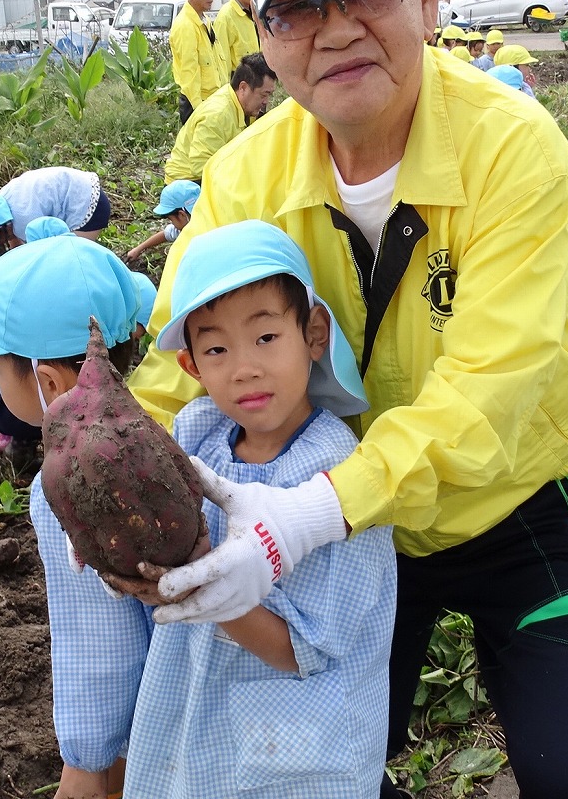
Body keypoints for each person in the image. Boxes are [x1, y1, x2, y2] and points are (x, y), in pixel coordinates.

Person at [128, 0, 568, 799]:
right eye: (299, 7)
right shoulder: (243, 179)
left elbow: (491, 388)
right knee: (322, 758)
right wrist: (123, 489)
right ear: (265, 39)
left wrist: (304, 518)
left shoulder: (512, 149)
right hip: (348, 537)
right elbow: (174, 367)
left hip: (521, 502)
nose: (339, 27)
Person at [116, 220, 395, 798]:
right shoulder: (195, 432)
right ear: (191, 364)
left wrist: (198, 592)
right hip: (193, 714)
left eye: (266, 337)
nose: (243, 367)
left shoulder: (339, 471)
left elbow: (304, 650)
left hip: (299, 748)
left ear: (313, 333)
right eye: (216, 347)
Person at [0, 235, 148, 799]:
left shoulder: (64, 486)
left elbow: (100, 648)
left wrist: (83, 763)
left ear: (49, 384)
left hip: (117, 715)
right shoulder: (162, 437)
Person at [163, 53, 278, 184]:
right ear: (243, 88)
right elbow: (201, 168)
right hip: (188, 185)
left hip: (212, 174)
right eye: (264, 94)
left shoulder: (244, 107)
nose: (266, 102)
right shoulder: (217, 115)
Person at [0, 166, 109, 258]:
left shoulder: (24, 220)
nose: (3, 245)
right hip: (86, 186)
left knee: (72, 257)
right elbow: (14, 238)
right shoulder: (2, 200)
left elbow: (40, 256)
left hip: (90, 208)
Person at [170, 0, 224, 124]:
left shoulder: (204, 20)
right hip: (198, 105)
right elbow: (189, 72)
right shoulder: (185, 25)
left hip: (213, 101)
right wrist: (199, 111)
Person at [126, 180, 200, 263]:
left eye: (171, 219)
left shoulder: (201, 237)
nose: (173, 224)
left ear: (182, 215)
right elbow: (166, 233)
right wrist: (139, 249)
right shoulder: (190, 223)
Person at [212, 0, 260, 80]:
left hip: (257, 78)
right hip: (239, 82)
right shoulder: (226, 16)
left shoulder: (255, 11)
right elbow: (222, 58)